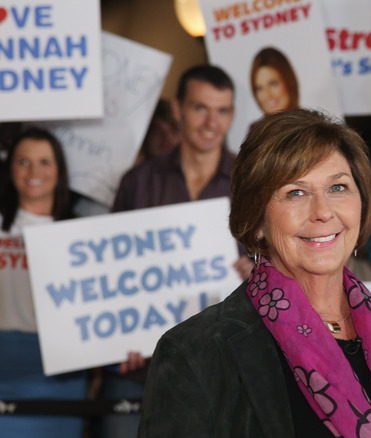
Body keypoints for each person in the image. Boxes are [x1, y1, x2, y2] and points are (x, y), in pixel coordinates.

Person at [137, 109, 371, 437]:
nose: (323, 212)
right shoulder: (196, 352)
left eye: (338, 188)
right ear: (257, 221)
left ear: (364, 203)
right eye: (295, 193)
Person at [96, 64, 252, 438]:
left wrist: (258, 273)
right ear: (179, 109)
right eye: (200, 108)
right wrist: (117, 337)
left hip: (224, 368)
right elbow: (107, 272)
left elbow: (276, 264)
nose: (211, 122)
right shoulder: (139, 182)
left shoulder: (250, 184)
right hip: (141, 369)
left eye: (222, 110)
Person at [0, 127, 86, 437]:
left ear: (59, 171)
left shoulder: (86, 235)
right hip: (4, 361)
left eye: (45, 162)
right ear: (10, 169)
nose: (34, 171)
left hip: (61, 373)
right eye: (23, 162)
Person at [250, 47, 299, 116]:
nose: (267, 95)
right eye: (259, 88)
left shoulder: (311, 124)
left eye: (273, 84)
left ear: (289, 82)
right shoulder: (255, 127)